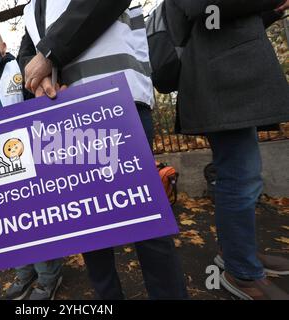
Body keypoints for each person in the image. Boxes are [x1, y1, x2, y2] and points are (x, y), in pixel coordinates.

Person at [18, 0, 188, 299]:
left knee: (142, 220)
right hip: (64, 114)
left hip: (113, 102)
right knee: (88, 226)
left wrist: (50, 54)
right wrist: (41, 77)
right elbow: (27, 54)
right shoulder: (31, 8)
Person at [166, 0, 289, 299]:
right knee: (241, 177)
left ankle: (239, 253)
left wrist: (269, 12)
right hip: (221, 79)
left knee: (240, 175)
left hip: (231, 76)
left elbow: (226, 22)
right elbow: (204, 9)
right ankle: (241, 272)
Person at [0, 23, 63, 301]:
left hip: (29, 159)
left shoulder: (20, 69)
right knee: (12, 223)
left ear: (3, 46)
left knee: (36, 221)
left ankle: (49, 276)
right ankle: (25, 273)